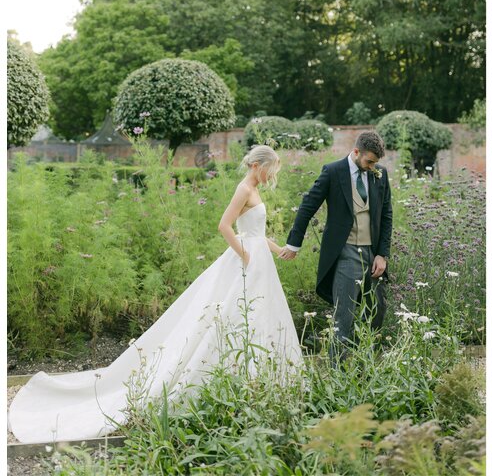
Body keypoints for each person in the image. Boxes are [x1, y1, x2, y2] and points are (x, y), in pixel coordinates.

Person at [8, 145, 302, 444]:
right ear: (256, 165)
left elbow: (254, 232)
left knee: (258, 316)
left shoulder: (254, 190)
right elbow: (224, 227)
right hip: (246, 262)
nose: (272, 175)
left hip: (258, 261)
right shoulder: (243, 189)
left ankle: (259, 378)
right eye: (270, 169)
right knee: (229, 315)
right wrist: (247, 258)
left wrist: (279, 250)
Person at [279, 131, 392, 361]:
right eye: (369, 161)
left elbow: (387, 214)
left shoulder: (380, 174)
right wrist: (294, 243)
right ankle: (338, 376)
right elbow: (307, 206)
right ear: (356, 151)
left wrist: (382, 253)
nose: (372, 167)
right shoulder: (333, 171)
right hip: (346, 252)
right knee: (345, 317)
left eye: (375, 163)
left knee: (377, 311)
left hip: (373, 255)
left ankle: (365, 365)